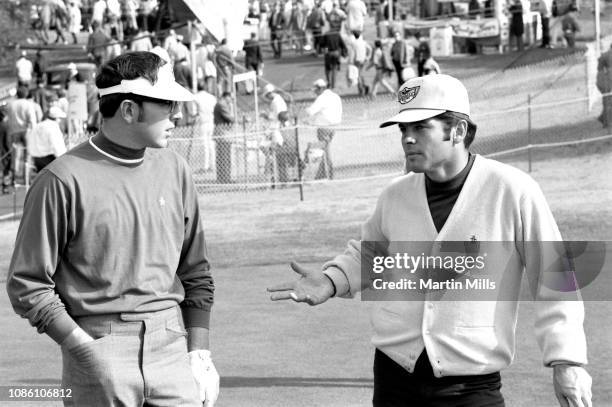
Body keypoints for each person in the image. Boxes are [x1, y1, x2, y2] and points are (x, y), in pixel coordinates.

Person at [267, 74, 592, 407]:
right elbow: (370, 255)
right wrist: (331, 280)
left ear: (459, 131)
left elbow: (555, 277)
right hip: (394, 381)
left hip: (471, 389)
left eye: (421, 128)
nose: (408, 138)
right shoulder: (396, 195)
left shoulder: (512, 191)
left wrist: (566, 360)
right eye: (403, 130)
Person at [6, 51, 219, 407]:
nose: (177, 115)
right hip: (98, 347)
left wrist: (200, 353)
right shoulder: (60, 179)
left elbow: (195, 269)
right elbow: (27, 284)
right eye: (166, 104)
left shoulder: (175, 168)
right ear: (129, 110)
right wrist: (83, 348)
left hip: (171, 345)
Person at [305, 79, 341, 179]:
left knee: (324, 150)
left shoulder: (322, 98)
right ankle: (322, 174)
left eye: (316, 90)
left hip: (324, 127)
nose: (315, 92)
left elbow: (311, 111)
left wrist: (305, 110)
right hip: (334, 127)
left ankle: (328, 173)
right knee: (324, 149)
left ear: (320, 88)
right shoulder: (335, 96)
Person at [26, 105, 67, 172]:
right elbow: (57, 147)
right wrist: (64, 161)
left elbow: (30, 141)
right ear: (57, 118)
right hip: (49, 159)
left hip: (36, 159)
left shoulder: (38, 126)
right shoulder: (53, 127)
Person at [192, 81, 217, 172]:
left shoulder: (196, 97)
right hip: (211, 121)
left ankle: (205, 166)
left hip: (202, 122)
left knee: (204, 145)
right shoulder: (212, 97)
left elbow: (194, 112)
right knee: (211, 144)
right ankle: (212, 165)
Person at [214, 91, 235, 183]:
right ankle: (224, 178)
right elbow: (230, 118)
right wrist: (235, 118)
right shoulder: (221, 104)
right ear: (226, 96)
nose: (231, 100)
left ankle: (225, 178)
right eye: (231, 98)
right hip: (222, 133)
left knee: (225, 156)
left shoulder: (221, 104)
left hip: (224, 133)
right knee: (224, 157)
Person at [347, 31, 372, 95]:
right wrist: (368, 57)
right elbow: (370, 49)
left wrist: (350, 61)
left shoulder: (354, 43)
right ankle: (364, 87)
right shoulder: (363, 42)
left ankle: (362, 89)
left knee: (357, 75)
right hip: (363, 60)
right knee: (360, 75)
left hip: (357, 61)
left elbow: (352, 53)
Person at [596, 43, 612, 130]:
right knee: (608, 103)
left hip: (605, 81)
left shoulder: (604, 55)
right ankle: (606, 123)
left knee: (607, 102)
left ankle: (604, 119)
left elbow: (599, 69)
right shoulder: (606, 55)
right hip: (607, 82)